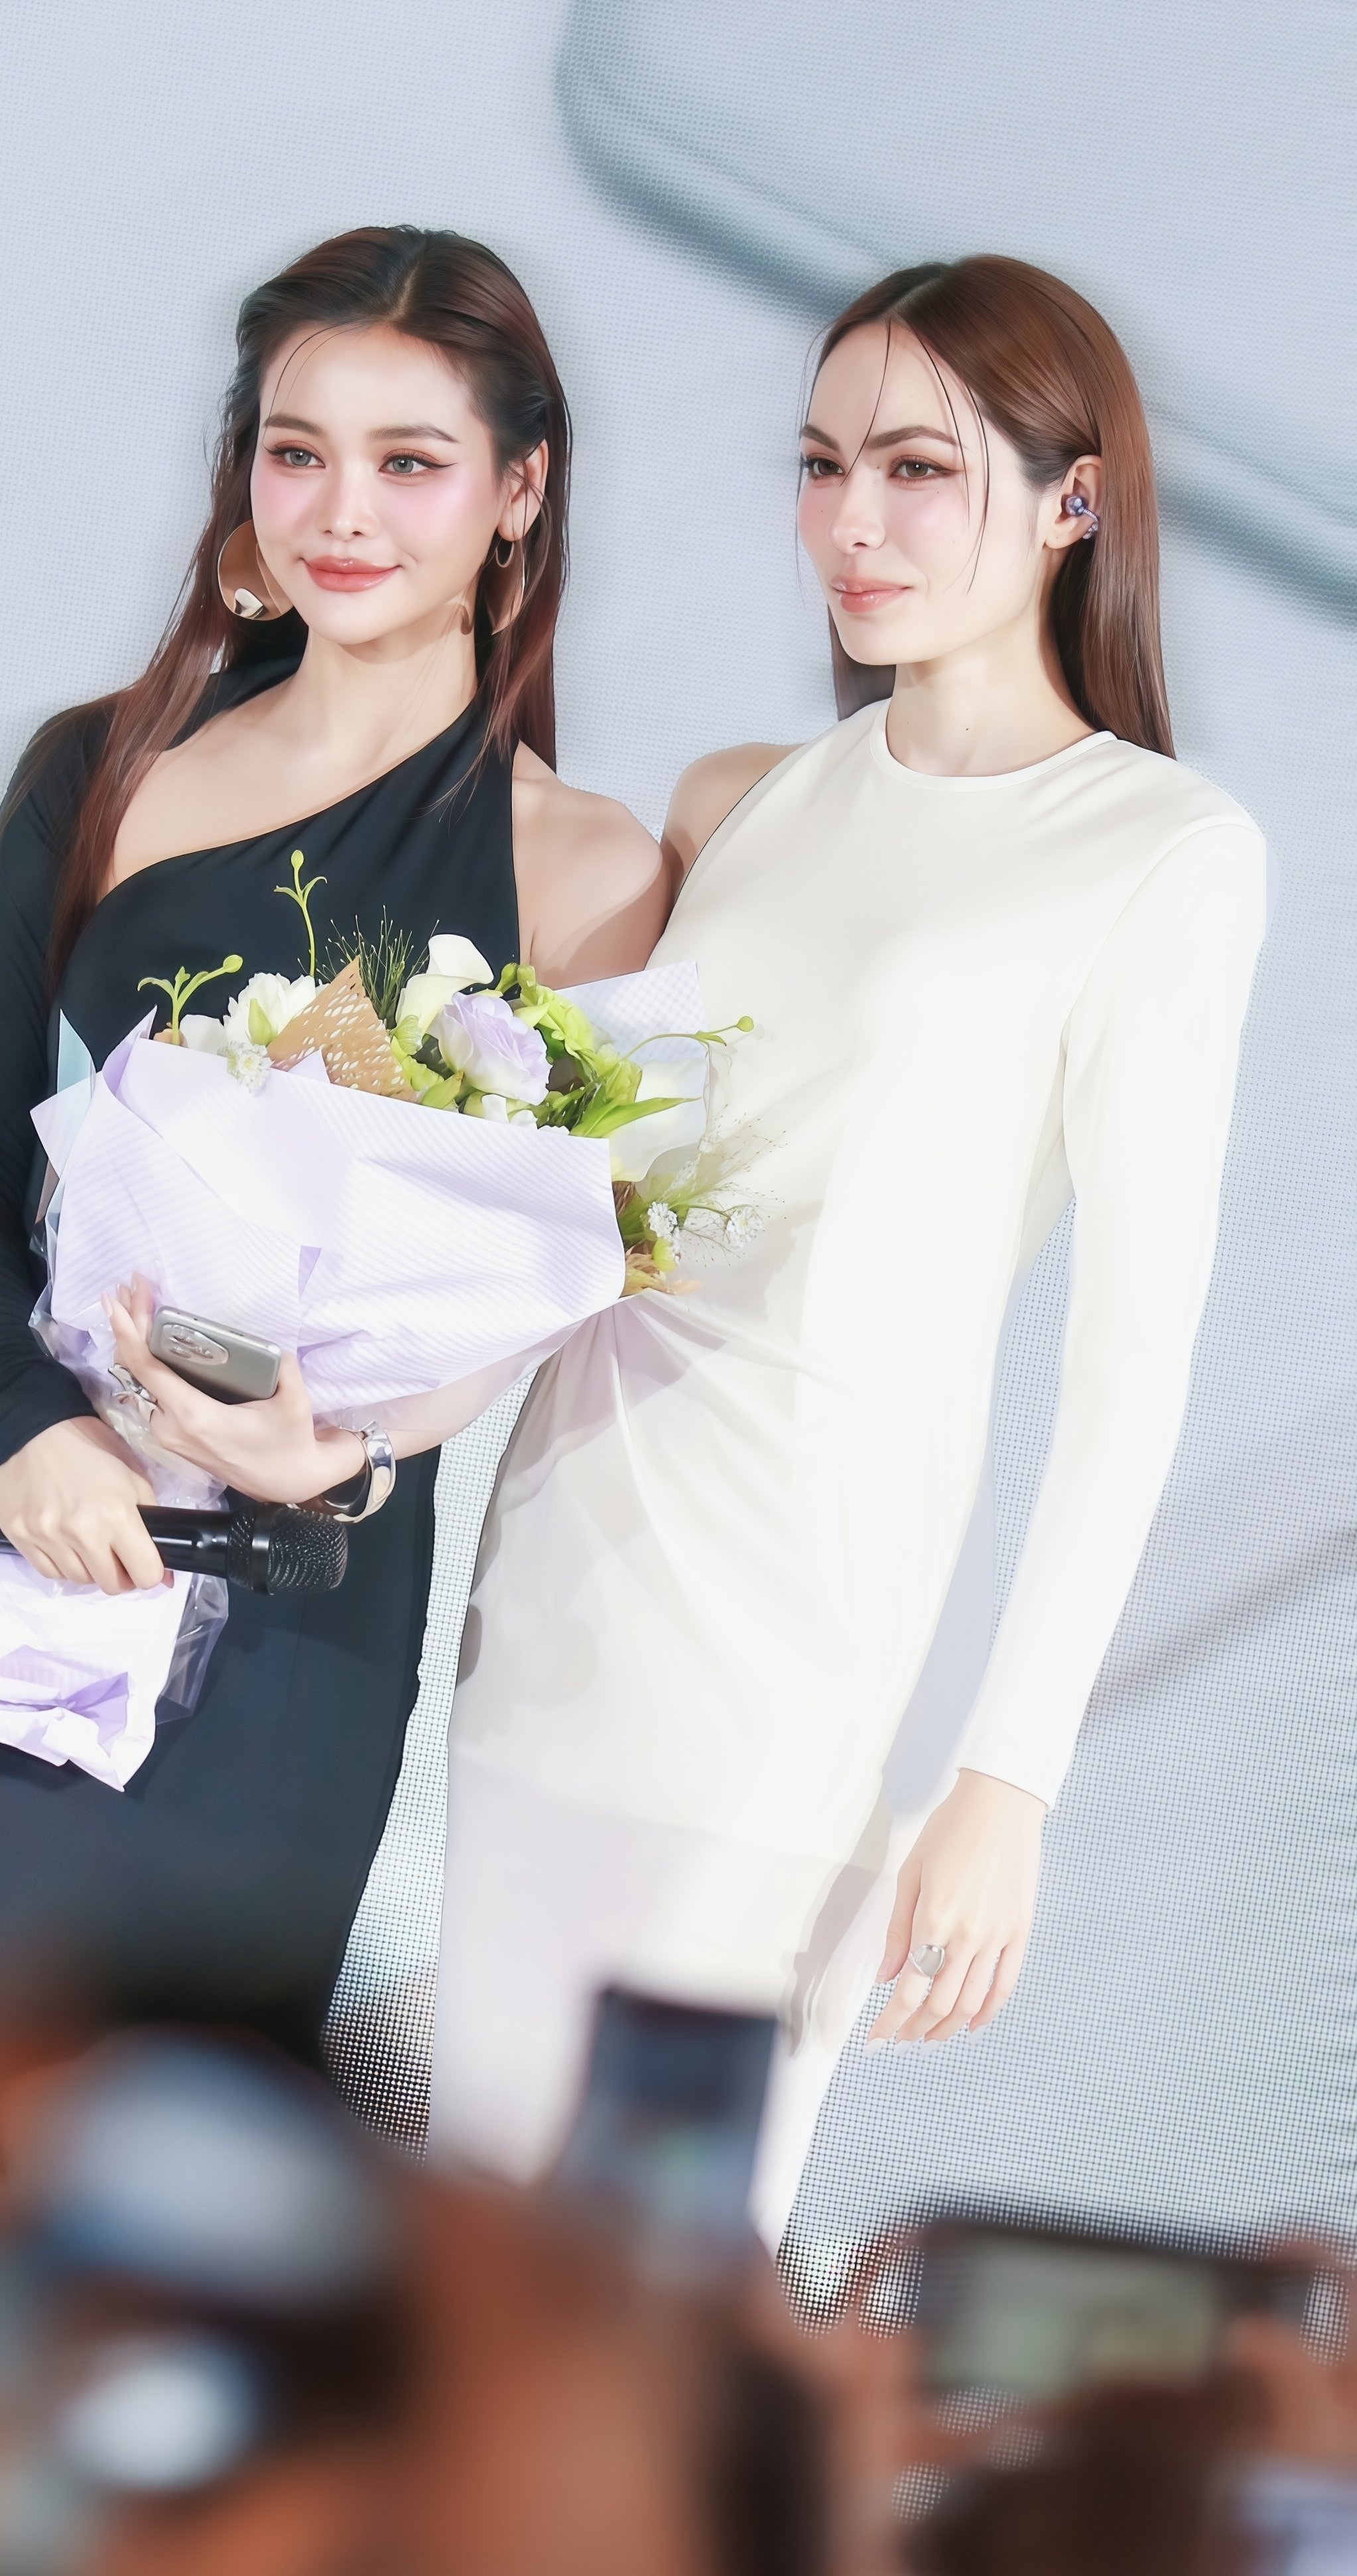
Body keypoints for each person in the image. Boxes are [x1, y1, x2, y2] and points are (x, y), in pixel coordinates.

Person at [0, 224, 667, 2106]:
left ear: (519, 489)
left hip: (301, 1582)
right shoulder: (106, 763)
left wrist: (352, 1451)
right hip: (7, 1512)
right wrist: (35, 1427)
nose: (343, 511)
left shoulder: (589, 870)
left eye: (411, 460)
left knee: (160, 2175)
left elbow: (554, 1271)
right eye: (296, 450)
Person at [428, 256, 1270, 2247]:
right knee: (471, 2272)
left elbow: (1132, 1369)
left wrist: (1008, 1777)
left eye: (917, 468)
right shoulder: (741, 803)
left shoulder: (1157, 852)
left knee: (648, 2284)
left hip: (803, 1671)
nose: (852, 524)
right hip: (557, 1599)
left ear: (1073, 502)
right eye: (821, 465)